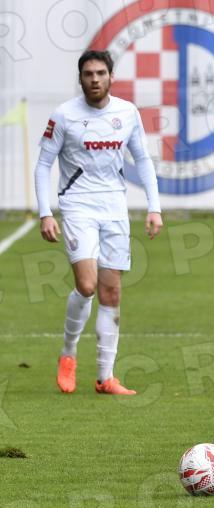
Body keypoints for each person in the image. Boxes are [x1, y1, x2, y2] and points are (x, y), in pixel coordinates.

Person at [35, 50, 163, 395]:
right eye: (88, 74)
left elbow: (143, 159)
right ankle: (68, 353)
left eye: (100, 73)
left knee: (111, 291)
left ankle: (105, 378)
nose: (94, 79)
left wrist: (154, 208)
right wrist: (45, 212)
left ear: (111, 77)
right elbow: (43, 164)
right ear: (80, 78)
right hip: (78, 206)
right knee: (87, 285)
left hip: (114, 208)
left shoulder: (127, 112)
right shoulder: (64, 115)